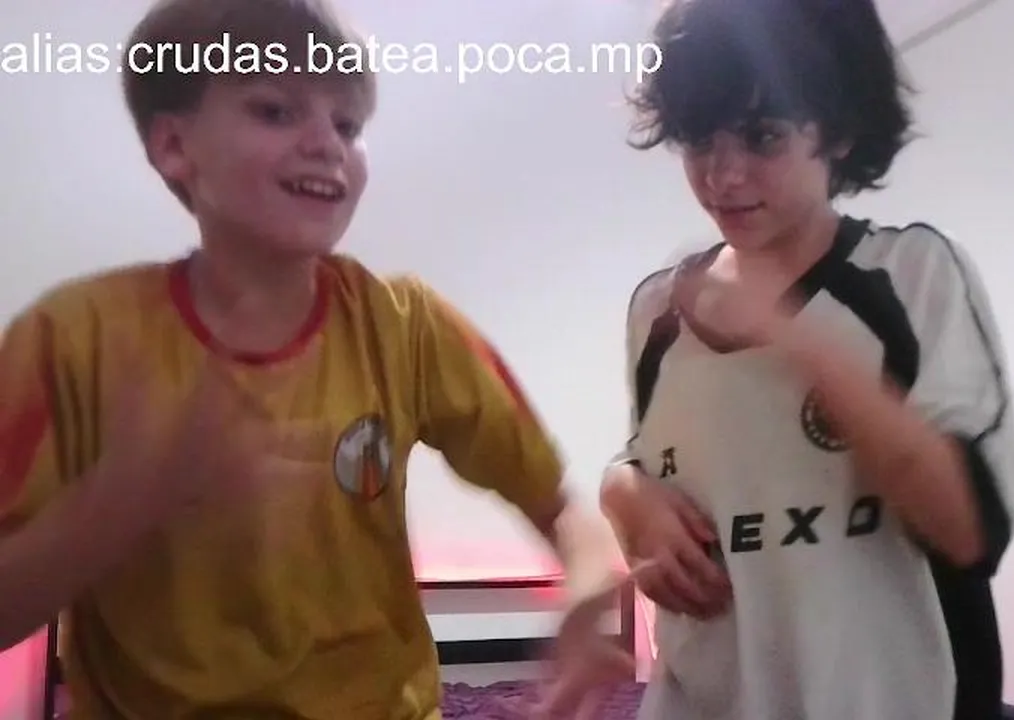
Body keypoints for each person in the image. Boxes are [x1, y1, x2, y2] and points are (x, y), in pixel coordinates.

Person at [0, 0, 627, 717]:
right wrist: (120, 501)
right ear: (174, 145)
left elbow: (564, 509)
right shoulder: (72, 340)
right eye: (275, 111)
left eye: (348, 125)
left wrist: (587, 593)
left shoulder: (406, 325)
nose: (327, 144)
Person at [598, 0, 1014, 717]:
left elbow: (967, 531)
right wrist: (625, 497)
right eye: (700, 140)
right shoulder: (659, 310)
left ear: (839, 131)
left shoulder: (913, 273)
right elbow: (655, 460)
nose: (723, 176)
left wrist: (794, 336)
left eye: (762, 137)